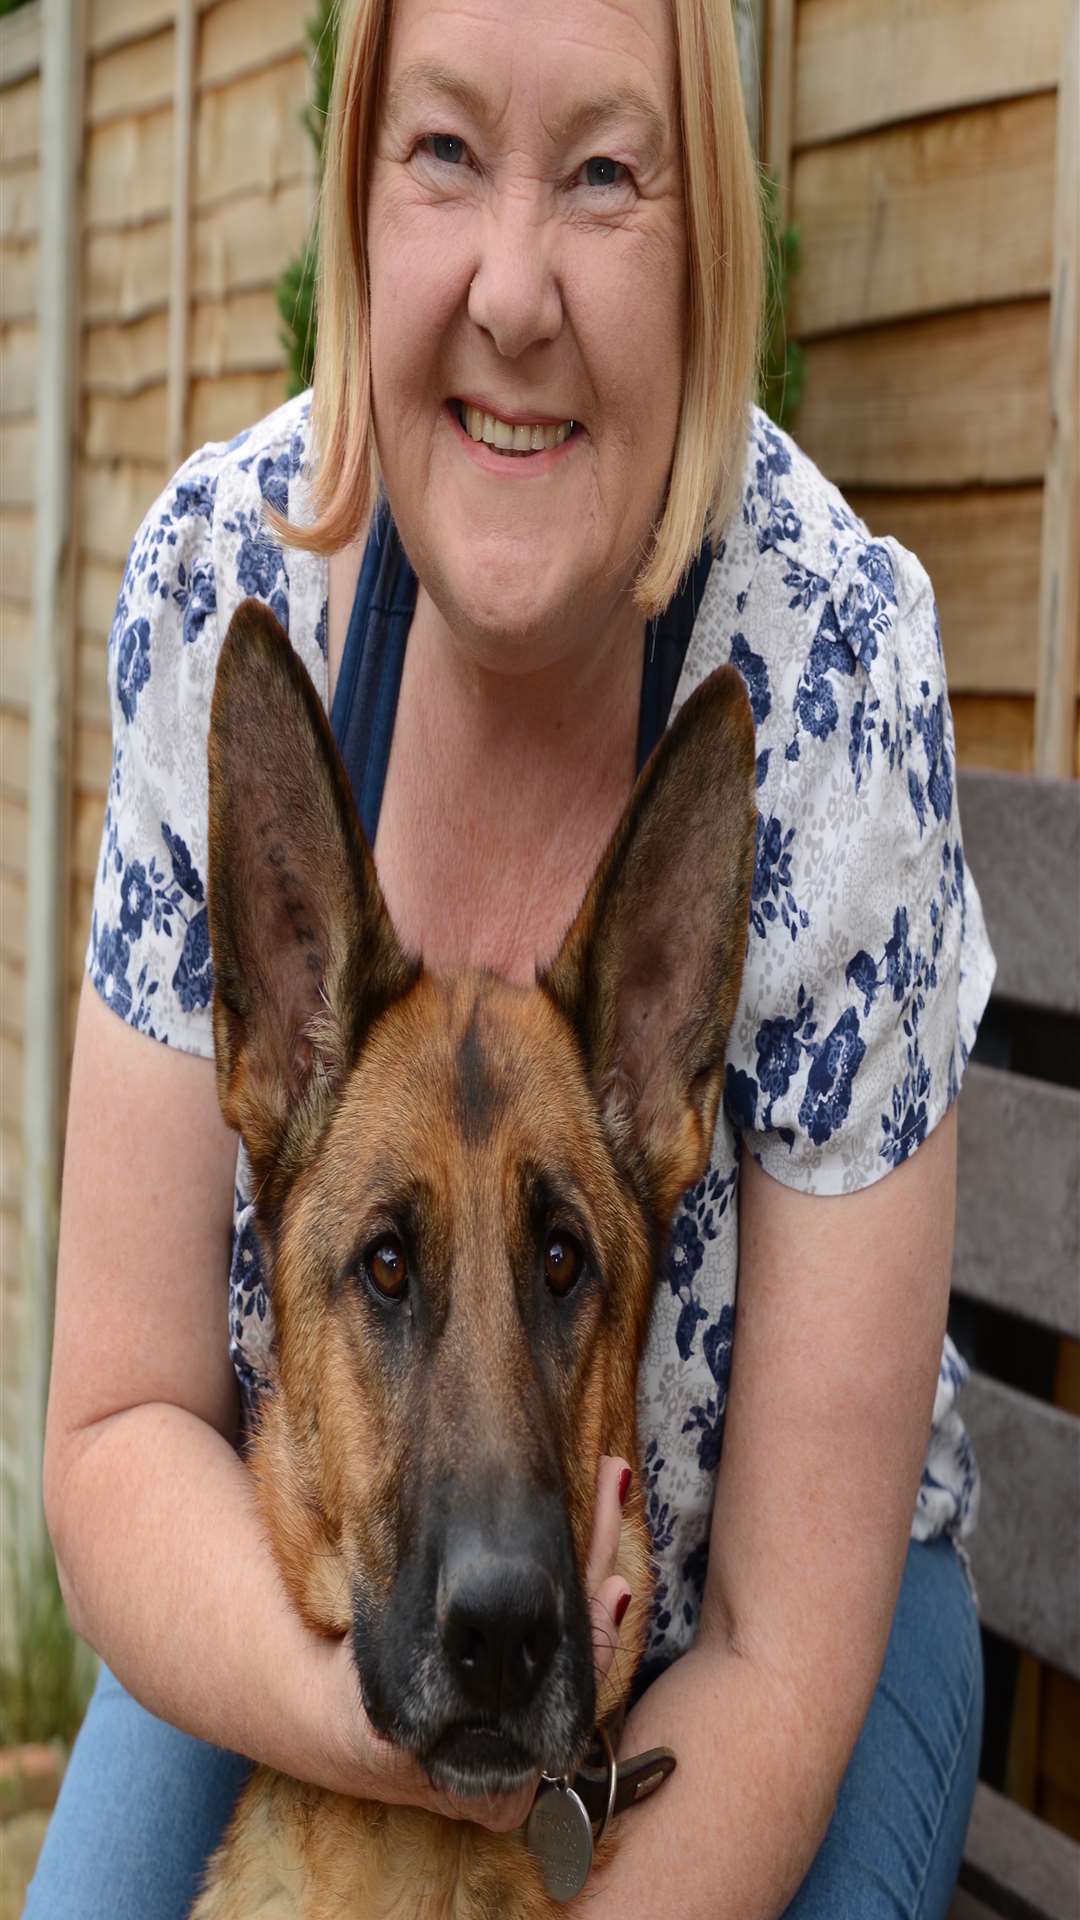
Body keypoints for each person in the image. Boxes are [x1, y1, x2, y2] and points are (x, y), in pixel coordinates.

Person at [29, 0, 995, 1914]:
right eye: (447, 153)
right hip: (311, 1570)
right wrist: (379, 1720)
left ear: (704, 245)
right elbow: (125, 1427)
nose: (515, 288)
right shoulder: (229, 584)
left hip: (766, 1633)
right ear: (361, 204)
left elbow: (790, 1656)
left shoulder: (831, 680)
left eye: (608, 174)